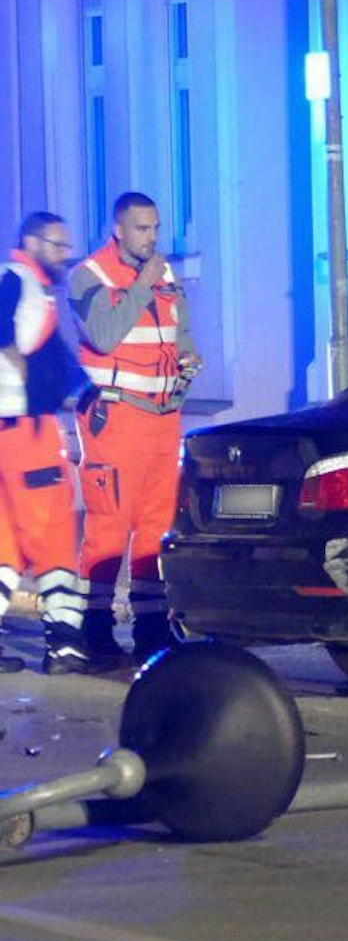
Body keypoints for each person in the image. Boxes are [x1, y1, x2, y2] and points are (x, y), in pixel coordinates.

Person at [68, 191, 200, 663]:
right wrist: (143, 282)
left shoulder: (163, 273)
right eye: (143, 229)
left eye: (157, 228)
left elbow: (178, 328)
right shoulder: (88, 275)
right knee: (109, 526)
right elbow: (104, 336)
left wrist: (187, 356)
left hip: (164, 417)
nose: (152, 238)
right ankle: (94, 629)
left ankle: (151, 627)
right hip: (116, 417)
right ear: (119, 229)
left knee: (155, 527)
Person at [0, 212, 94, 672]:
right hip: (26, 432)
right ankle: (64, 642)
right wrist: (17, 365)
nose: (64, 254)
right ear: (32, 242)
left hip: (11, 429)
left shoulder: (30, 287)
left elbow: (56, 356)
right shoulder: (18, 280)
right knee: (53, 531)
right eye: (57, 245)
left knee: (4, 545)